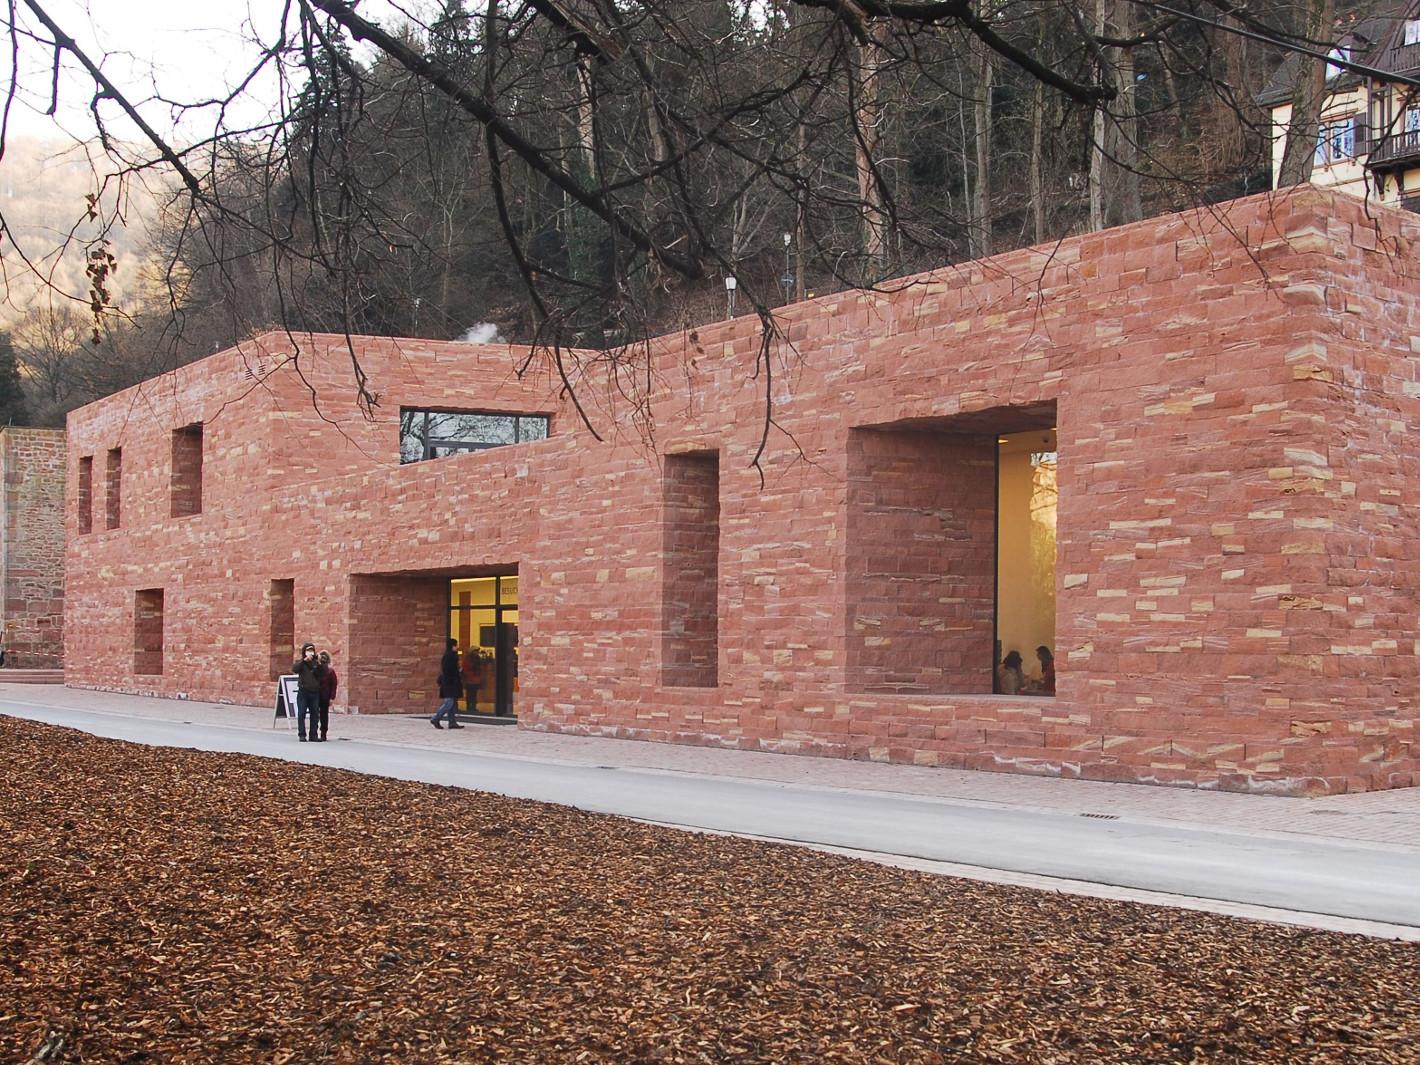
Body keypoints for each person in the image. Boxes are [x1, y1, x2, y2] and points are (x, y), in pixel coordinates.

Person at [292, 642, 327, 742]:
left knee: (315, 714)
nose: (310, 652)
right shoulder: (301, 662)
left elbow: (323, 673)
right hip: (303, 691)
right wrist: (304, 661)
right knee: (301, 713)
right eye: (308, 650)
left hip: (315, 692)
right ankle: (302, 734)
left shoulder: (317, 662)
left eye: (311, 650)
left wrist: (319, 662)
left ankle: (313, 735)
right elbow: (295, 669)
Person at [430, 638, 465, 730]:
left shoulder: (451, 655)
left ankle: (452, 722)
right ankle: (436, 718)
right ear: (452, 646)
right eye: (455, 645)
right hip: (449, 682)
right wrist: (457, 672)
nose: (457, 647)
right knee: (449, 702)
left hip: (451, 682)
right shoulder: (449, 656)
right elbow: (447, 670)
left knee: (452, 703)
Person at [317, 650, 338, 741]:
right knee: (323, 715)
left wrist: (332, 697)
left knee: (317, 714)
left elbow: (334, 685)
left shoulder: (319, 670)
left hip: (318, 695)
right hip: (324, 696)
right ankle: (323, 733)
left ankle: (318, 732)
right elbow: (334, 685)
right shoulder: (330, 671)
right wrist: (332, 697)